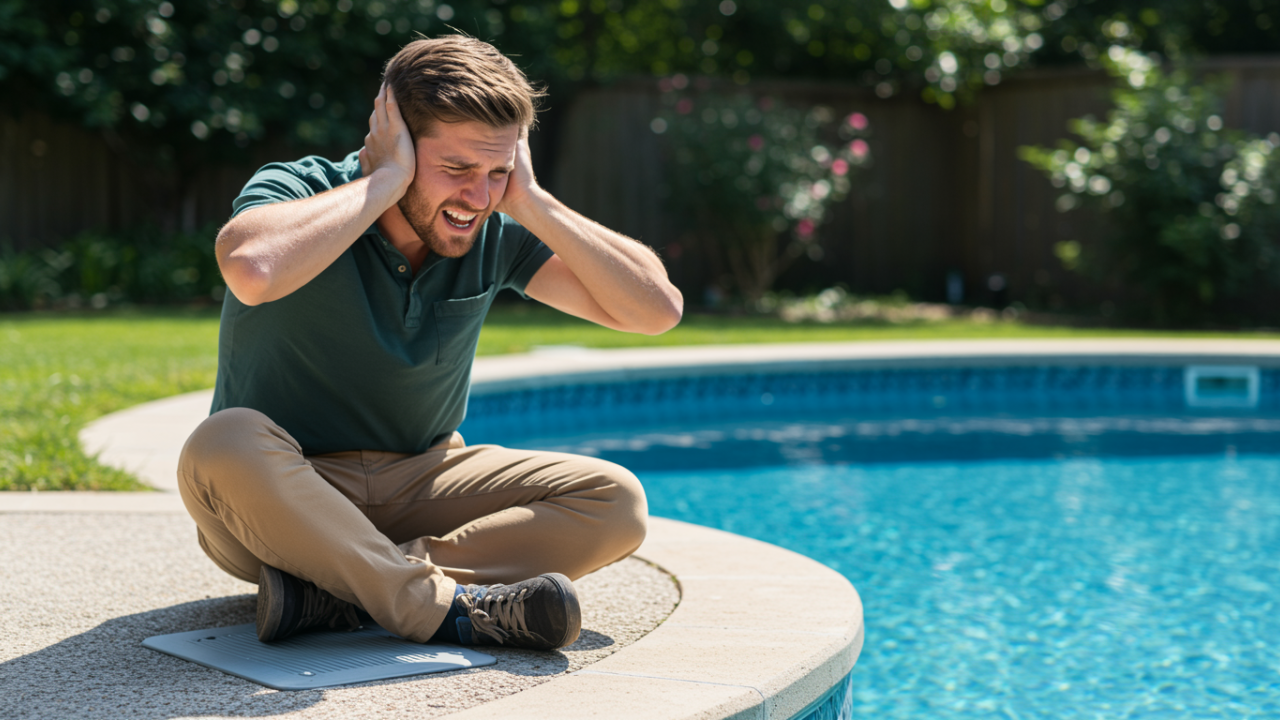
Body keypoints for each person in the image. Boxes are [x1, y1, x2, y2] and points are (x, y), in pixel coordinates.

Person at [176, 35, 683, 652]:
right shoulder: (303, 190)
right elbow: (252, 270)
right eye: (458, 169)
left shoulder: (494, 230)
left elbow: (655, 310)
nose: (477, 197)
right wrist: (386, 179)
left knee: (615, 500)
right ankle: (433, 606)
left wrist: (529, 198)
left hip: (422, 481)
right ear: (400, 142)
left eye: (496, 170)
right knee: (221, 441)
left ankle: (345, 591)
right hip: (285, 495)